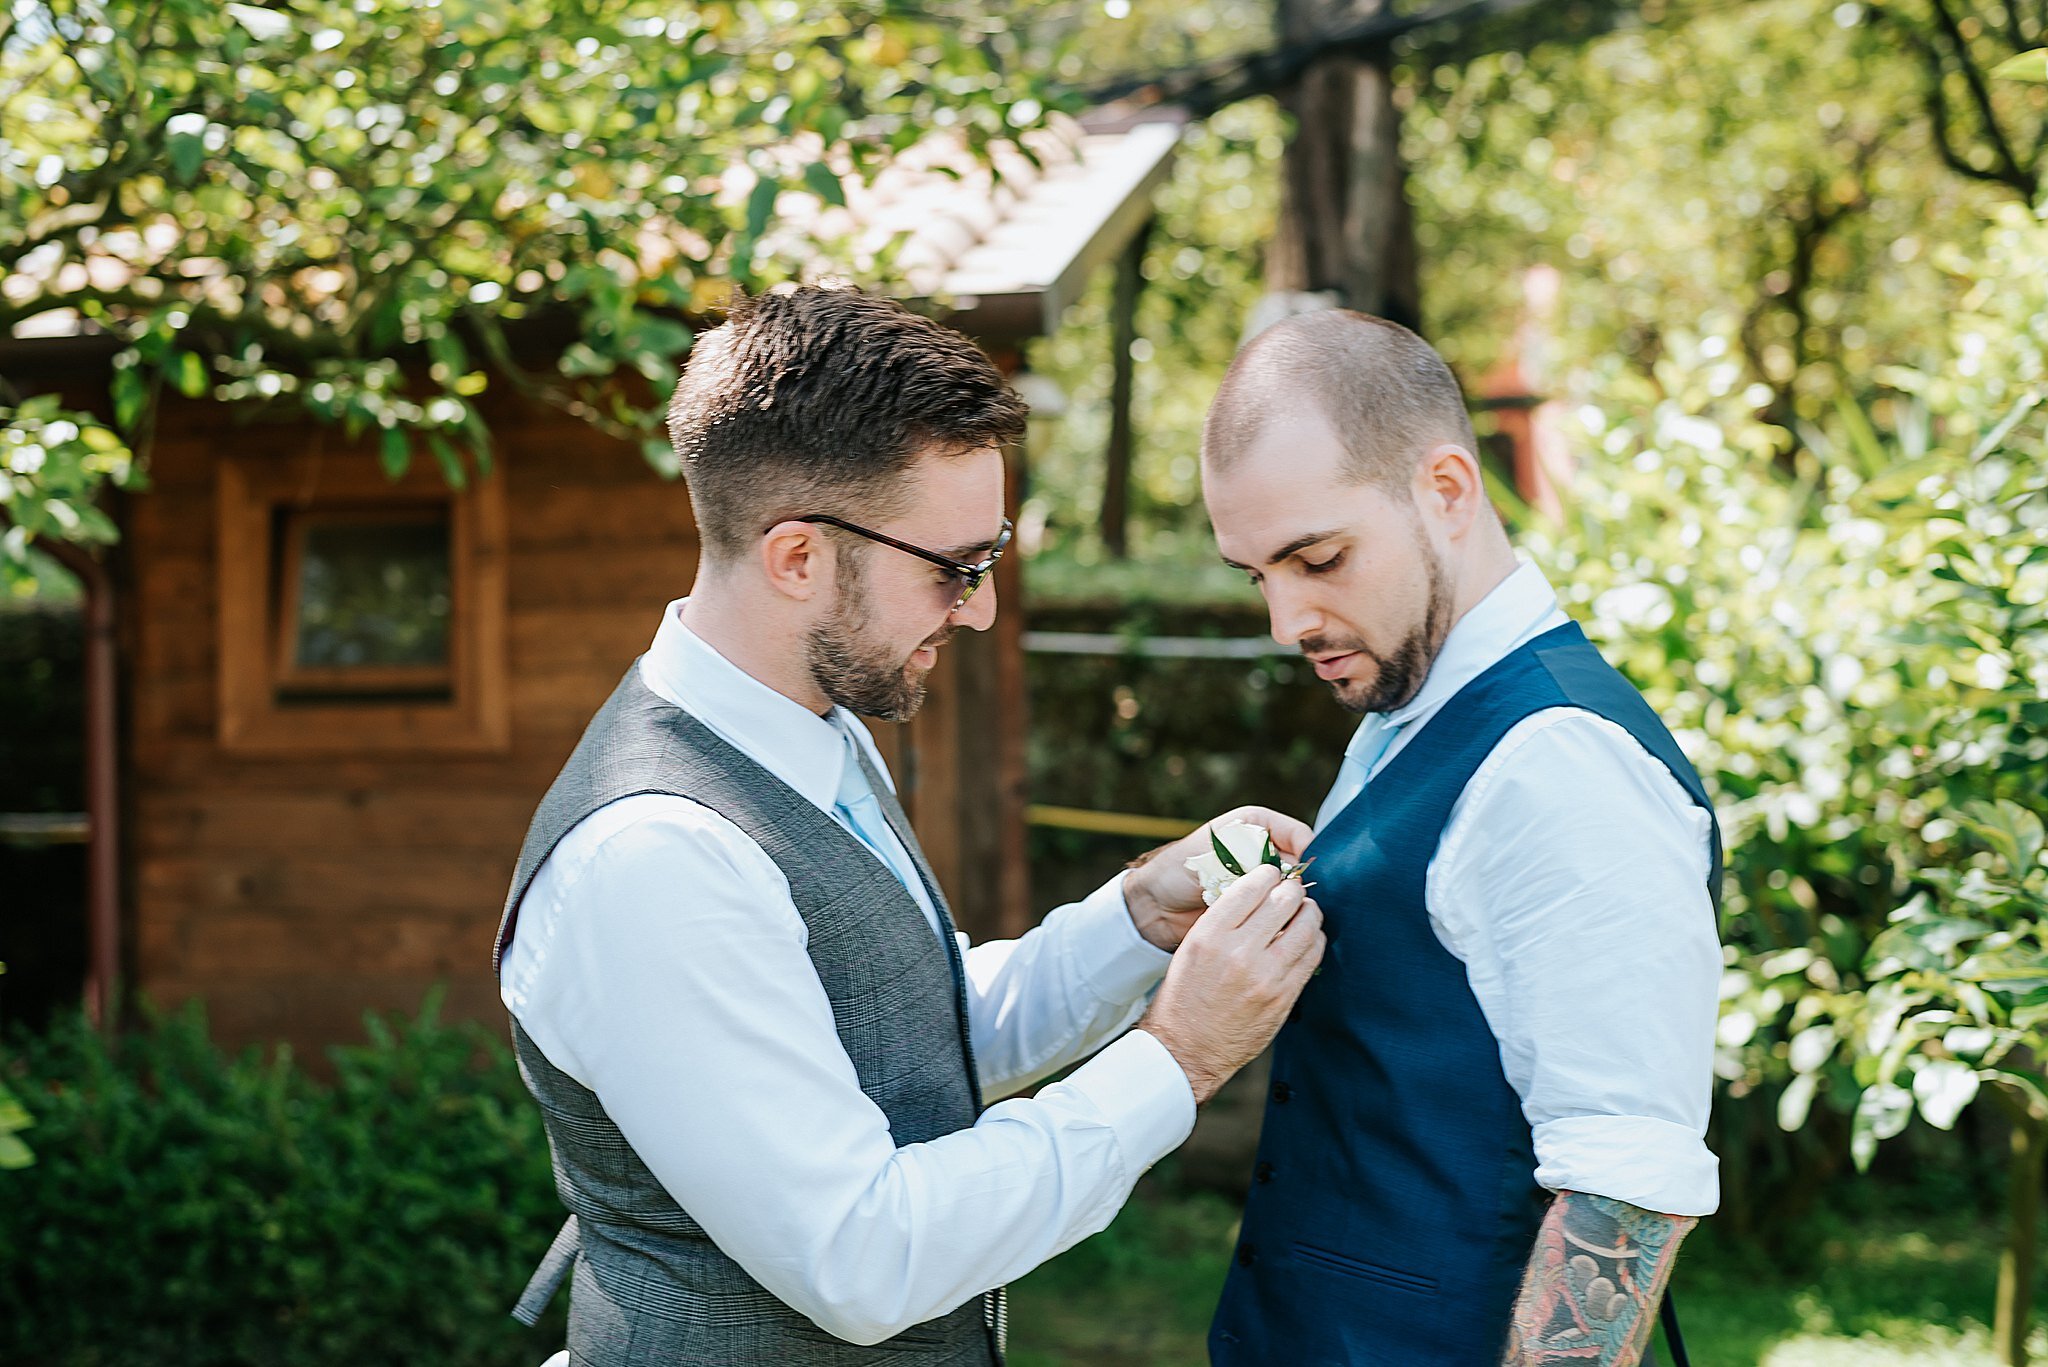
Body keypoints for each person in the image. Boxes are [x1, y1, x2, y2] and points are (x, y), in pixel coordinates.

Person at [489, 286, 1325, 1366]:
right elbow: (861, 1255)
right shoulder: (656, 857)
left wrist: (1135, 919)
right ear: (797, 558)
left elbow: (898, 1037)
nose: (976, 606)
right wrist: (1181, 1056)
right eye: (951, 567)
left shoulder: (814, 731)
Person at [1198, 308, 1723, 1367]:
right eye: (1259, 575)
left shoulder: (1558, 757)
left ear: (1444, 489)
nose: (1285, 621)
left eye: (1317, 558)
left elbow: (1621, 1179)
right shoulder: (1410, 710)